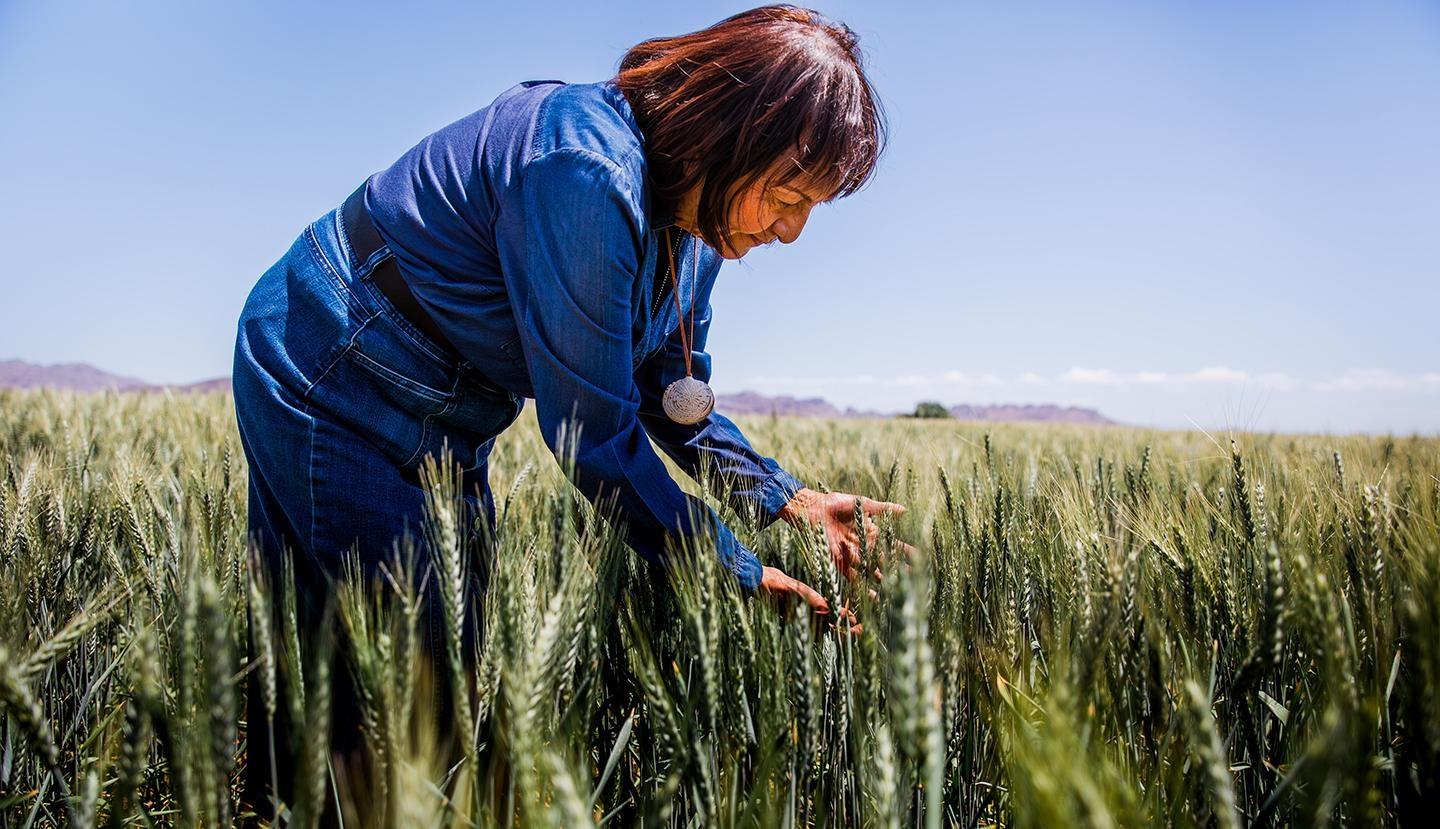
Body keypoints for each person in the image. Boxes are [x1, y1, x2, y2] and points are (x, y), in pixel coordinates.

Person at [232, 3, 911, 821]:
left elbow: (671, 396)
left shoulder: (695, 230)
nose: (791, 231)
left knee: (396, 678)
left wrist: (787, 499)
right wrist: (735, 571)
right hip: (333, 368)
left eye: (811, 208)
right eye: (787, 195)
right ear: (727, 137)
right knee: (412, 696)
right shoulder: (584, 171)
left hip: (444, 417)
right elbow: (593, 434)